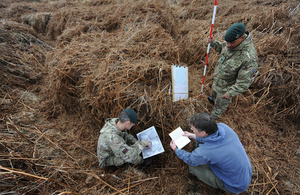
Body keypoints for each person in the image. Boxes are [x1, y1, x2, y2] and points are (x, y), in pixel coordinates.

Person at [170, 113, 252, 194]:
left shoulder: (205, 151)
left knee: (193, 167)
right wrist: (192, 135)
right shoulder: (223, 127)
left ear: (203, 133)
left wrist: (176, 149)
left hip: (234, 186)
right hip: (245, 174)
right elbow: (209, 138)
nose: (191, 129)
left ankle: (223, 187)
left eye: (193, 129)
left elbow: (190, 159)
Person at [207, 23, 259, 118]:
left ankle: (212, 117)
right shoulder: (230, 44)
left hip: (226, 89)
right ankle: (214, 100)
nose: (228, 45)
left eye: (231, 43)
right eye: (227, 42)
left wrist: (230, 93)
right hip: (218, 81)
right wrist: (213, 42)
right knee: (215, 95)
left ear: (242, 37)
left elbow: (245, 81)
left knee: (220, 105)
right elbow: (222, 47)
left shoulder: (249, 57)